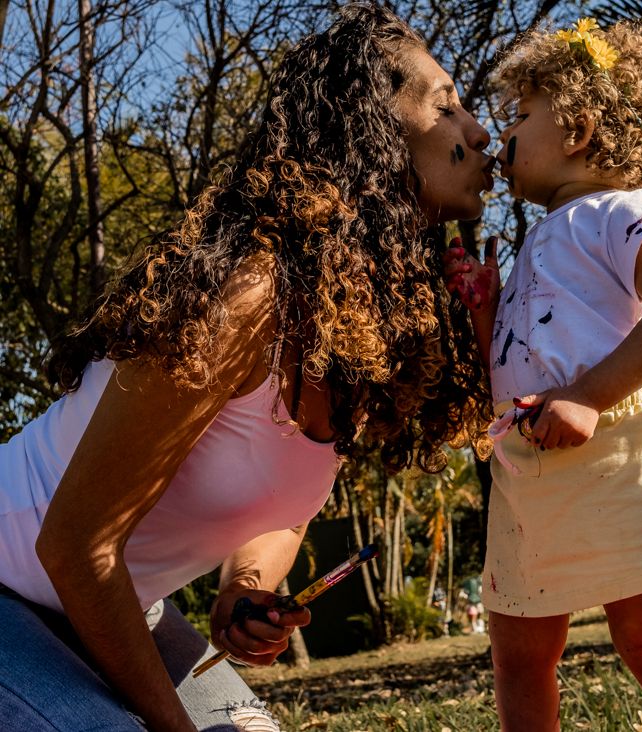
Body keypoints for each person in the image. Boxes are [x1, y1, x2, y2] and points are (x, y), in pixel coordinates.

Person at [0, 4, 495, 730]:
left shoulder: (358, 327)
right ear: (372, 136)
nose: (479, 131)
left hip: (116, 606)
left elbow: (286, 502)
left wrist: (247, 586)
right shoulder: (249, 295)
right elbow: (73, 545)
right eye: (446, 105)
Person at [444, 17, 642, 732]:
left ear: (575, 130)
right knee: (517, 652)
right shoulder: (541, 235)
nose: (502, 138)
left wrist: (587, 397)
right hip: (524, 463)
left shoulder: (627, 212)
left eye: (521, 116)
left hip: (613, 452)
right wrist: (486, 307)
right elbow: (512, 365)